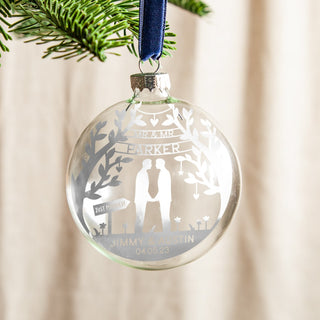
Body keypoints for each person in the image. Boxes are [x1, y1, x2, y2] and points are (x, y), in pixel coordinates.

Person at [134, 159, 152, 233]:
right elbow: (142, 189)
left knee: (140, 218)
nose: (151, 165)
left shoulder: (143, 173)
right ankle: (138, 234)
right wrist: (150, 198)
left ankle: (138, 234)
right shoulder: (142, 173)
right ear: (146, 164)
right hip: (140, 199)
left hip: (142, 199)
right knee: (140, 218)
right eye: (150, 163)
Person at [154, 158, 172, 232]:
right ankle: (166, 231)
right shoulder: (162, 172)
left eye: (157, 163)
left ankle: (167, 231)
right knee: (164, 215)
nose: (155, 165)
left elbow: (164, 187)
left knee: (165, 216)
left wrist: (156, 197)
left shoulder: (165, 173)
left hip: (165, 198)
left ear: (161, 164)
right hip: (163, 198)